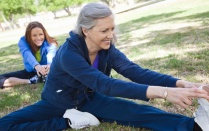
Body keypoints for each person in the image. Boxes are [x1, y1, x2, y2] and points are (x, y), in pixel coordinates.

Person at [0, 2, 209, 131]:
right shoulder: (69, 54)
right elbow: (105, 84)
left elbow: (135, 71)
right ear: (86, 30)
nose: (110, 35)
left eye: (112, 29)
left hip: (89, 100)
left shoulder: (107, 48)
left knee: (135, 112)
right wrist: (164, 93)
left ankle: (196, 126)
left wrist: (181, 83)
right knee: (4, 125)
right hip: (57, 103)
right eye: (104, 30)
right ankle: (68, 122)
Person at [0, 21, 57, 89]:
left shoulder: (50, 42)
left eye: (41, 34)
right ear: (29, 36)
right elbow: (27, 54)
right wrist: (37, 66)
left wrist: (49, 66)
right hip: (31, 72)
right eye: (34, 35)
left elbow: (51, 55)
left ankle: (46, 77)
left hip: (48, 71)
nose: (38, 38)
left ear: (44, 34)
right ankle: (32, 81)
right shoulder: (23, 41)